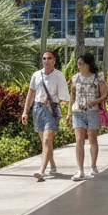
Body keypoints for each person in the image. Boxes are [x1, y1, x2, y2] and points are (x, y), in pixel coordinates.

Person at [22, 50, 70, 182]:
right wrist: (25, 111)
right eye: (44, 58)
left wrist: (67, 112)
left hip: (51, 109)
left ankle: (41, 171)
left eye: (49, 58)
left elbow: (64, 96)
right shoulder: (36, 75)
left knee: (47, 140)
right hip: (38, 108)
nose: (46, 61)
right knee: (44, 141)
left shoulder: (59, 75)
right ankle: (52, 164)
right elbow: (31, 93)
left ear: (54, 60)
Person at [65, 52, 108, 182]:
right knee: (79, 140)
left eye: (81, 64)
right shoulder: (75, 78)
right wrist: (69, 113)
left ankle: (93, 166)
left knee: (92, 139)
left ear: (88, 64)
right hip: (78, 111)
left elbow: (105, 95)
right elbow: (72, 96)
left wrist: (95, 101)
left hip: (93, 111)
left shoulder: (98, 78)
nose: (78, 66)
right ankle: (80, 170)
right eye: (78, 64)